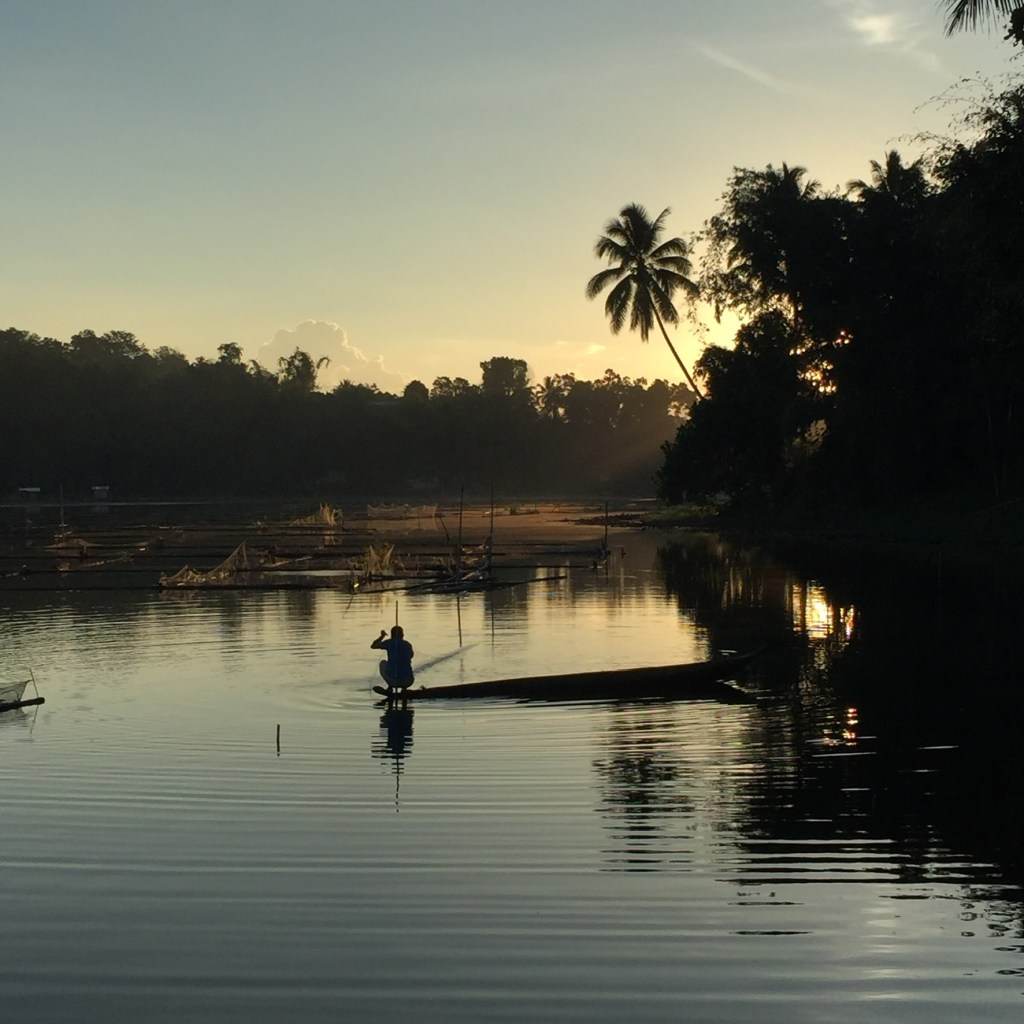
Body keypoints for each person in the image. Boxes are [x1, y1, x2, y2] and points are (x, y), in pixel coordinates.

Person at [371, 625, 415, 690]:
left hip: (394, 681)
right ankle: (404, 689)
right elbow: (411, 656)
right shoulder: (407, 644)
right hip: (409, 681)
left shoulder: (389, 643)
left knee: (383, 663)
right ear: (402, 634)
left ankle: (390, 687)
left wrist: (382, 636)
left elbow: (374, 646)